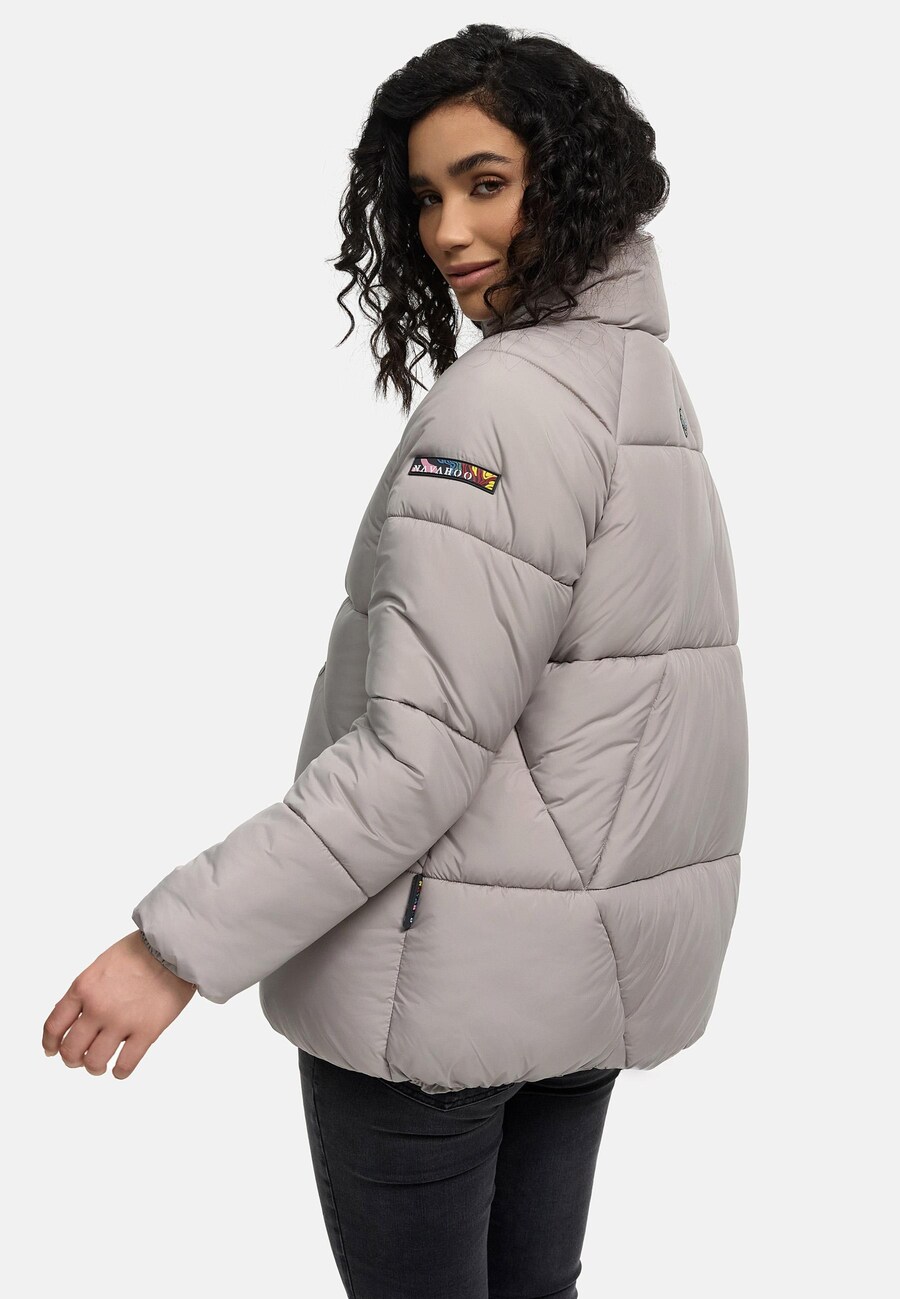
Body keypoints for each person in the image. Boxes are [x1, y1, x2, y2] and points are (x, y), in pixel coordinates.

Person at [41, 23, 749, 1299]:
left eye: (486, 183)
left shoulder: (507, 404)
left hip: (435, 1005)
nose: (448, 232)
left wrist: (172, 950)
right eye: (424, 197)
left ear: (571, 179)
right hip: (577, 991)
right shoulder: (643, 387)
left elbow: (415, 756)